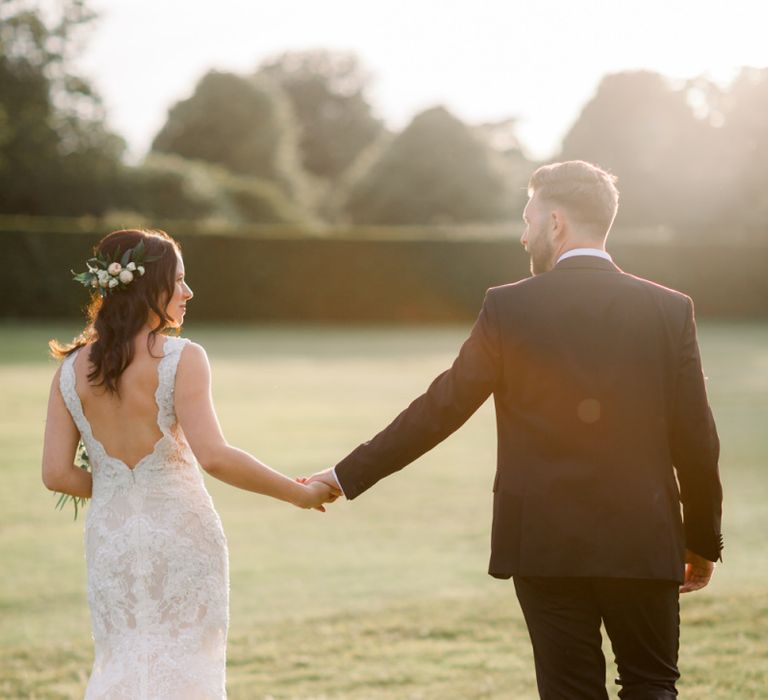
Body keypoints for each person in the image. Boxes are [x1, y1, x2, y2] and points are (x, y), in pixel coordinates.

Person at [309, 161, 723, 699]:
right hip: (644, 538)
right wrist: (701, 540)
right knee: (651, 685)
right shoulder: (669, 309)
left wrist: (345, 475)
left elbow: (442, 407)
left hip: (544, 542)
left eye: (527, 220)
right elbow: (696, 436)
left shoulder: (509, 307)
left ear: (556, 224)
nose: (523, 235)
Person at [42, 228, 335, 699]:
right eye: (178, 280)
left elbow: (55, 474)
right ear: (147, 286)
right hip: (181, 534)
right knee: (185, 664)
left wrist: (121, 487)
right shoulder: (182, 357)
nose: (188, 292)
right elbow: (215, 456)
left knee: (123, 659)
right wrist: (298, 493)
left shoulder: (70, 370)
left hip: (111, 538)